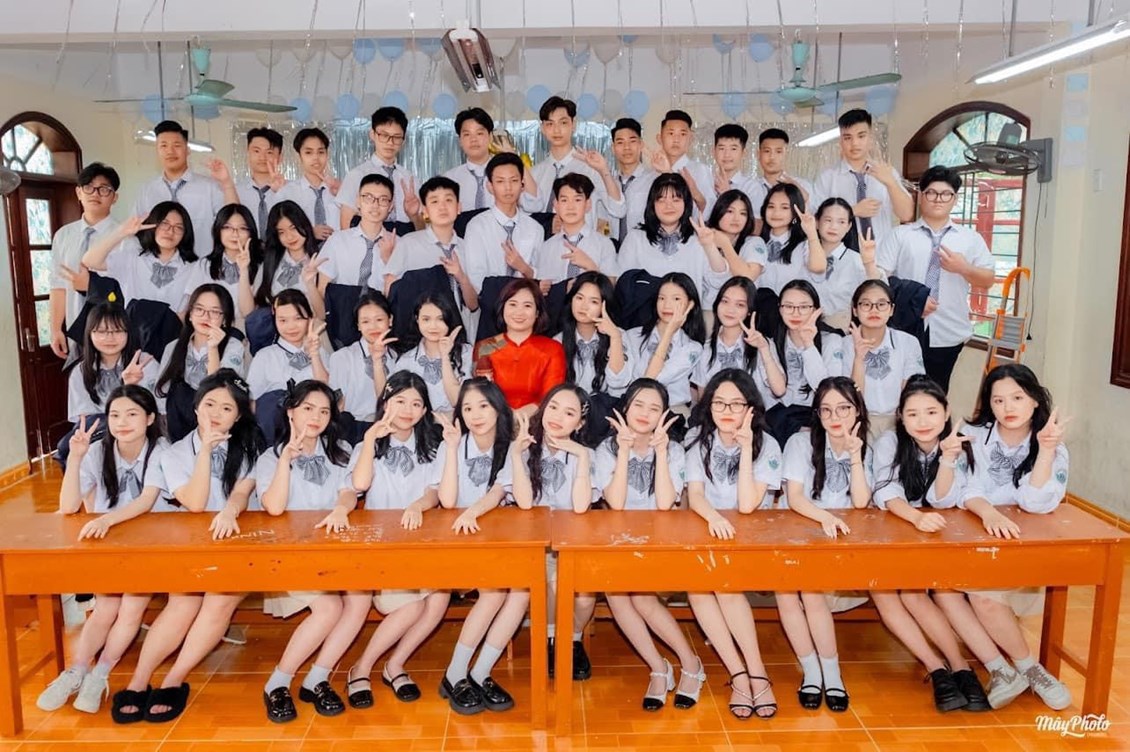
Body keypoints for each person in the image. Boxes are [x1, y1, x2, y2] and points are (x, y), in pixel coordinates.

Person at [112, 369, 262, 724]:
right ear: (195, 408)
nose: (215, 413)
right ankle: (138, 681)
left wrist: (229, 510)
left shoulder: (250, 446)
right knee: (183, 602)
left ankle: (173, 679)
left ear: (238, 416)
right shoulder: (175, 453)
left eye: (226, 408)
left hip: (240, 539)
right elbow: (194, 503)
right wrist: (205, 451)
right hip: (193, 542)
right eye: (209, 404)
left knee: (219, 600)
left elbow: (242, 492)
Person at [933, 364, 1072, 710]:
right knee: (943, 587)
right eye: (998, 400)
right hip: (976, 538)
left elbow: (1035, 502)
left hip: (1023, 545)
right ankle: (1004, 669)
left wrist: (1046, 452)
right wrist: (989, 513)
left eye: (1017, 398)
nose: (1008, 408)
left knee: (982, 598)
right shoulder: (973, 435)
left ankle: (1027, 669)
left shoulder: (1052, 445)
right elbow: (964, 490)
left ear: (1035, 400)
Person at [37, 385, 167, 715]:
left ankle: (101, 674)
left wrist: (106, 519)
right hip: (110, 542)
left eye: (132, 414)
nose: (122, 422)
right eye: (115, 415)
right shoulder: (97, 451)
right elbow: (68, 506)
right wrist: (75, 457)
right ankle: (77, 670)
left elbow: (146, 501)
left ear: (150, 418)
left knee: (131, 608)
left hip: (150, 540)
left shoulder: (160, 450)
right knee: (106, 607)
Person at [871, 375, 992, 713]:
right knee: (885, 591)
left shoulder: (962, 444)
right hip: (896, 529)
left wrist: (948, 459)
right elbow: (886, 491)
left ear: (946, 412)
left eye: (931, 412)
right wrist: (914, 518)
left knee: (918, 592)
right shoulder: (890, 443)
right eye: (912, 414)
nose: (922, 422)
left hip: (940, 536)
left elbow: (944, 500)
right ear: (900, 417)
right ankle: (937, 668)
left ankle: (961, 668)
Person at [596, 379, 705, 710]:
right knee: (616, 594)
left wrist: (660, 451)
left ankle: (690, 663)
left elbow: (664, 503)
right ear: (626, 407)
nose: (645, 413)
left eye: (654, 408)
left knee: (640, 596)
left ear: (663, 415)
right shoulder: (606, 449)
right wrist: (624, 450)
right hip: (621, 539)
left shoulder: (673, 450)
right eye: (639, 405)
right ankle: (659, 668)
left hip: (661, 539)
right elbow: (616, 503)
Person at [344, 372, 452, 708]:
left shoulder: (432, 445)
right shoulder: (368, 443)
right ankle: (361, 668)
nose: (408, 409)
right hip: (382, 545)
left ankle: (395, 665)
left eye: (416, 403)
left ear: (425, 411)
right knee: (413, 606)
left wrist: (418, 505)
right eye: (400, 401)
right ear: (385, 403)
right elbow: (359, 485)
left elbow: (435, 491)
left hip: (420, 541)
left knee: (440, 597)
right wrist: (368, 441)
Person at [258, 380, 358, 723]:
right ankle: (277, 683)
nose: (316, 417)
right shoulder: (270, 457)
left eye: (324, 411)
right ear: (291, 412)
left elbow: (349, 491)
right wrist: (285, 461)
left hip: (332, 550)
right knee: (330, 607)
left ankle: (317, 678)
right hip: (291, 553)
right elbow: (273, 507)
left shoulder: (340, 448)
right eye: (308, 408)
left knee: (359, 601)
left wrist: (342, 508)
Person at [684, 370, 782, 718]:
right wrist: (713, 518)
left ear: (750, 408)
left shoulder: (767, 445)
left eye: (736, 404)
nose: (727, 411)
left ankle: (757, 672)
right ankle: (739, 674)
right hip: (709, 528)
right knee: (698, 589)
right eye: (719, 403)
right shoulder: (697, 439)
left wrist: (745, 448)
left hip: (751, 535)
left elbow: (747, 505)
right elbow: (696, 496)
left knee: (724, 588)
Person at [779, 376, 872, 713]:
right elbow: (794, 498)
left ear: (857, 411)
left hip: (840, 535)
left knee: (811, 591)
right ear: (817, 414)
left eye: (844, 408)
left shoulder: (866, 446)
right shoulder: (800, 443)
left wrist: (856, 456)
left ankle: (832, 672)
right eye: (827, 410)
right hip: (799, 527)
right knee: (788, 592)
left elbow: (860, 502)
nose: (835, 417)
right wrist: (824, 518)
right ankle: (812, 671)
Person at [436, 378, 525, 715]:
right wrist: (450, 449)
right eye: (468, 408)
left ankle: (480, 672)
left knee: (521, 592)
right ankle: (455, 673)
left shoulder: (512, 445)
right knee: (494, 592)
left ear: (498, 408)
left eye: (483, 406)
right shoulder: (453, 444)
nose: (475, 415)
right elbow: (447, 500)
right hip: (459, 538)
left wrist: (474, 510)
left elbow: (500, 492)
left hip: (496, 539)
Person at [876, 165, 996, 392]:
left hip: (949, 330)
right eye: (931, 193)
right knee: (900, 392)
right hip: (904, 326)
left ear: (955, 199)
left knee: (937, 394)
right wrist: (913, 300)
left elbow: (988, 279)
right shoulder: (901, 235)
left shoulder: (970, 239)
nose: (938, 199)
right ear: (921, 196)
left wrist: (963, 268)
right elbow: (879, 279)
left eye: (946, 194)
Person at [509, 385, 598, 680]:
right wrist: (515, 454)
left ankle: (572, 639)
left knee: (585, 597)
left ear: (580, 423)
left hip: (574, 544)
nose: (558, 417)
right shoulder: (524, 447)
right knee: (547, 585)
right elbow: (524, 502)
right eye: (554, 407)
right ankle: (550, 639)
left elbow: (581, 506)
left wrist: (581, 456)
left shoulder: (587, 454)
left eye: (569, 413)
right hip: (536, 543)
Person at [60, 303, 158, 465]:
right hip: (98, 434)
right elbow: (85, 420)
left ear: (128, 333)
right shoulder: (80, 371)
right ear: (89, 334)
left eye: (117, 331)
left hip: (140, 430)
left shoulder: (144, 363)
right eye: (101, 331)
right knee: (68, 449)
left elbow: (156, 410)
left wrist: (131, 387)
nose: (109, 338)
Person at [383, 176, 479, 335]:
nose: (442, 207)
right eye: (434, 201)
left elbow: (474, 305)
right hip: (421, 333)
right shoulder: (409, 243)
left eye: (448, 200)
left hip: (463, 332)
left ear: (459, 207)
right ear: (425, 211)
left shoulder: (468, 247)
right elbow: (391, 289)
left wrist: (461, 277)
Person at [617, 173, 730, 304]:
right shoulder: (635, 238)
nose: (669, 206)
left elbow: (719, 282)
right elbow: (623, 283)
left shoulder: (698, 239)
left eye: (676, 200)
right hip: (645, 314)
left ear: (686, 203)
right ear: (652, 204)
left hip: (687, 314)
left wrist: (709, 246)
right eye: (661, 200)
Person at [132, 119, 239, 257]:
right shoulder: (147, 191)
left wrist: (226, 183)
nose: (170, 151)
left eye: (176, 145)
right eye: (163, 146)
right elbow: (134, 232)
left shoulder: (209, 187)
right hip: (158, 265)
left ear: (187, 149)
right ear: (157, 151)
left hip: (201, 264)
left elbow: (235, 219)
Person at [48, 162, 121, 359]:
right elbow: (58, 286)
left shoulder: (125, 237)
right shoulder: (63, 235)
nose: (95, 194)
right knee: (79, 377)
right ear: (78, 192)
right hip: (76, 333)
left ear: (114, 197)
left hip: (113, 332)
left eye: (104, 189)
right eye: (88, 187)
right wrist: (55, 329)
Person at [156, 284, 245, 441]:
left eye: (214, 312)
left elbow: (219, 391)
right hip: (180, 420)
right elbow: (162, 391)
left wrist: (213, 348)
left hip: (218, 416)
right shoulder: (174, 347)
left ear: (225, 319)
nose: (206, 316)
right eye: (199, 309)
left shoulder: (234, 346)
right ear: (190, 314)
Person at [520, 96, 625, 229]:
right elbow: (524, 217)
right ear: (542, 128)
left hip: (582, 241)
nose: (556, 130)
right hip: (542, 241)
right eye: (550, 124)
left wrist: (603, 170)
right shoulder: (534, 173)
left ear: (573, 124)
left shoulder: (591, 169)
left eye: (563, 123)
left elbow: (618, 210)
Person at [811, 109, 913, 245]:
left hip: (881, 252)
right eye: (848, 138)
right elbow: (815, 220)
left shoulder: (887, 172)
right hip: (841, 253)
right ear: (841, 141)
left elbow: (906, 215)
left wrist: (891, 183)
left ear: (870, 138)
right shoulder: (827, 178)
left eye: (861, 136)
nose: (854, 143)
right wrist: (852, 211)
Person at [83, 204, 200, 315]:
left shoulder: (194, 268)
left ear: (185, 233)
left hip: (174, 329)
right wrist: (121, 232)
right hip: (132, 328)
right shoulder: (132, 258)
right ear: (153, 224)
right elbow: (90, 261)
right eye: (164, 223)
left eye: (178, 227)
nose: (170, 231)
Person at [471, 278, 566, 417]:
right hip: (495, 421)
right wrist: (506, 420)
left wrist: (519, 417)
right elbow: (483, 395)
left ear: (537, 312)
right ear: (503, 308)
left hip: (540, 422)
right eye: (513, 304)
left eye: (527, 306)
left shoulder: (552, 348)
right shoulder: (486, 347)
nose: (519, 312)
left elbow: (551, 396)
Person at [842, 280, 925, 438]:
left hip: (898, 419)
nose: (874, 310)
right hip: (859, 419)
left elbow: (911, 389)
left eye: (881, 304)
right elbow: (850, 397)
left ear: (891, 309)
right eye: (866, 304)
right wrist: (859, 358)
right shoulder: (844, 345)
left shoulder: (908, 342)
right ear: (855, 310)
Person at [765, 280, 844, 443]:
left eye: (803, 307)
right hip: (781, 420)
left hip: (819, 415)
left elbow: (827, 391)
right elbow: (771, 395)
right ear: (780, 309)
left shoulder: (832, 341)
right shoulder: (771, 344)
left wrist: (809, 345)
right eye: (788, 306)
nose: (795, 313)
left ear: (815, 309)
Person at [247, 289, 330, 442]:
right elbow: (251, 401)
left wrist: (313, 354)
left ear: (310, 318)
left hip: (314, 426)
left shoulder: (320, 352)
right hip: (275, 432)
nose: (291, 327)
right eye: (283, 320)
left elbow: (325, 390)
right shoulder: (265, 356)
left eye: (298, 318)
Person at [692, 276, 785, 408]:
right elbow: (703, 400)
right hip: (720, 416)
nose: (730, 310)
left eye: (740, 305)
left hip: (756, 416)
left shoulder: (762, 344)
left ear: (749, 312)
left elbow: (779, 390)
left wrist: (763, 349)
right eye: (725, 301)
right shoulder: (706, 349)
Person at [462, 152, 546, 296]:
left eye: (514, 180)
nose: (508, 187)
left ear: (522, 185)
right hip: (490, 303)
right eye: (500, 181)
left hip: (526, 303)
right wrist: (505, 300)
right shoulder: (477, 226)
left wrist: (523, 268)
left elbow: (541, 275)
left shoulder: (535, 228)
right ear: (490, 186)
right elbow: (476, 277)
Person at [328, 290, 398, 441]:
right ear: (358, 325)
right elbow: (338, 404)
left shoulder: (398, 358)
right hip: (352, 430)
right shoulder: (342, 357)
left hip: (390, 429)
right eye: (365, 321)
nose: (373, 326)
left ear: (390, 320)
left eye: (379, 319)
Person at [336, 107, 421, 229]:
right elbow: (346, 225)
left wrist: (414, 216)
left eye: (397, 137)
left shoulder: (410, 179)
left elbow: (422, 230)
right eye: (384, 135)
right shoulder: (357, 175)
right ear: (372, 134)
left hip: (405, 238)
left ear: (403, 140)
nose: (390, 142)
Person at [530, 173, 620, 286]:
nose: (570, 207)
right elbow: (543, 289)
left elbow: (611, 287)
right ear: (556, 205)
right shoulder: (547, 247)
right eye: (564, 200)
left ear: (588, 204)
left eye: (577, 200)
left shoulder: (604, 244)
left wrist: (591, 267)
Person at [389, 292, 470, 414]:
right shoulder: (406, 360)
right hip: (419, 422)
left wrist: (445, 357)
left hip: (456, 421)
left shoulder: (466, 353)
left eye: (440, 319)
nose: (433, 326)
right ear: (417, 319)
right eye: (426, 319)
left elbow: (458, 401)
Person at [803, 197, 878, 328]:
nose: (834, 227)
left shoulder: (856, 260)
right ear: (817, 222)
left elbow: (877, 292)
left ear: (849, 227)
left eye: (841, 222)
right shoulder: (802, 251)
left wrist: (869, 263)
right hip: (799, 323)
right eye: (828, 220)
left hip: (839, 328)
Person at [181, 204, 261, 324]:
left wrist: (244, 270)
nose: (235, 234)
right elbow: (191, 305)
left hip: (243, 328)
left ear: (251, 233)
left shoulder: (260, 266)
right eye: (227, 227)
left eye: (242, 228)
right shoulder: (204, 265)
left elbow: (248, 313)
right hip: (208, 326)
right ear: (218, 231)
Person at [755, 184, 826, 296]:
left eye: (784, 207)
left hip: (793, 305)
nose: (776, 213)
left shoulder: (804, 244)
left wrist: (811, 232)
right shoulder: (756, 242)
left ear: (795, 212)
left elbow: (819, 268)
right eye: (771, 206)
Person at [275, 127, 340, 244]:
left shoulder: (339, 189)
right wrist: (309, 232)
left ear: (327, 154)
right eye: (308, 152)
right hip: (303, 253)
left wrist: (343, 192)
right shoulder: (287, 193)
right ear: (298, 156)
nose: (316, 158)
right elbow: (277, 230)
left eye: (321, 152)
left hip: (338, 252)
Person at [647, 109, 714, 215]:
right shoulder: (651, 174)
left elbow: (711, 212)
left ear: (690, 139)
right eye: (671, 133)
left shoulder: (700, 171)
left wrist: (694, 192)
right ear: (659, 138)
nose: (676, 139)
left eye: (682, 134)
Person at [604, 117, 657, 244]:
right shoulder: (608, 184)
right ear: (613, 148)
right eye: (620, 142)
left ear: (641, 145)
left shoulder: (654, 180)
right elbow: (602, 223)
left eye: (632, 141)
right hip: (613, 250)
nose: (626, 147)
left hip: (645, 249)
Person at [236, 127, 287, 240]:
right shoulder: (236, 192)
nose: (262, 157)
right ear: (248, 153)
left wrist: (282, 192)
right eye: (256, 151)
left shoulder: (291, 189)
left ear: (280, 157)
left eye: (269, 152)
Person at [443, 107, 496, 211]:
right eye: (467, 134)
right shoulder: (449, 179)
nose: (473, 139)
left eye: (479, 133)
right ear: (460, 140)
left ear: (490, 137)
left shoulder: (507, 175)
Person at [749, 128, 813, 213]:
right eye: (767, 151)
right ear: (758, 154)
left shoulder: (803, 186)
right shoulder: (749, 188)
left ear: (787, 154)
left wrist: (801, 196)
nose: (772, 157)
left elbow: (811, 217)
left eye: (778, 152)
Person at [708, 123, 758, 213]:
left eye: (733, 149)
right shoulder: (706, 182)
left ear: (743, 153)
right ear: (713, 152)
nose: (727, 155)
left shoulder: (752, 187)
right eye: (722, 148)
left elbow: (755, 221)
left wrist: (727, 194)